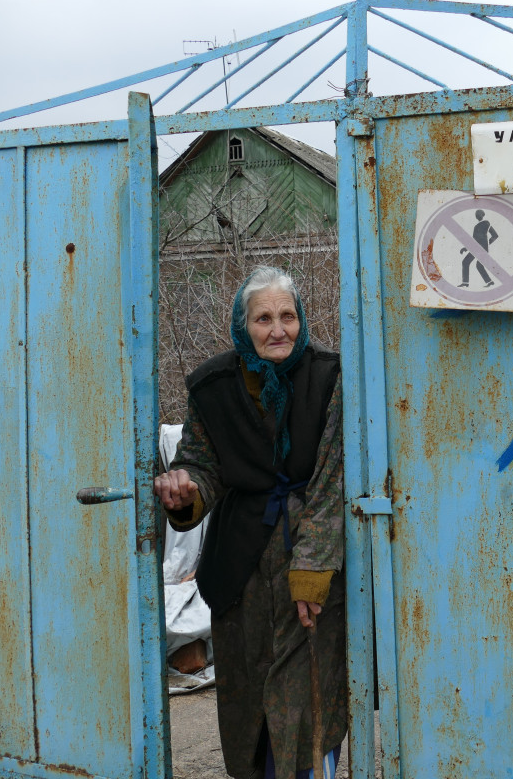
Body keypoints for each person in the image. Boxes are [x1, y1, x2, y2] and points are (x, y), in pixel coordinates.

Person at [154, 265, 346, 779]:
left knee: (308, 696)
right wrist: (185, 490)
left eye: (288, 316)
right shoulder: (212, 386)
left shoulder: (330, 376)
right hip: (239, 563)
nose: (278, 329)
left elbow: (332, 482)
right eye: (263, 318)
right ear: (243, 326)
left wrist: (312, 571)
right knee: (245, 700)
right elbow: (201, 463)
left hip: (310, 561)